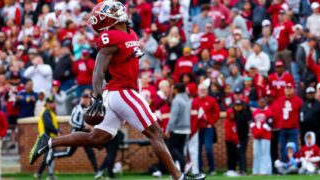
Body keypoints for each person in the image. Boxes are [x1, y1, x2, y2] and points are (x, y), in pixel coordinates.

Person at [29, 2, 197, 180]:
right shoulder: (110, 37)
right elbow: (98, 69)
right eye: (111, 11)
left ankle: (48, 141)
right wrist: (97, 96)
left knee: (97, 138)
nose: (118, 10)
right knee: (155, 133)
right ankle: (179, 177)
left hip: (119, 92)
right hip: (123, 92)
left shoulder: (130, 33)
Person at [50, 92, 98, 176]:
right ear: (81, 99)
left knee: (90, 152)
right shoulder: (77, 108)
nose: (85, 100)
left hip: (85, 134)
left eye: (87, 98)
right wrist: (83, 125)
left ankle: (97, 172)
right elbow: (72, 121)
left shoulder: (89, 109)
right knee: (68, 152)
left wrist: (91, 127)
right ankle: (53, 154)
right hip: (76, 132)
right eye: (84, 98)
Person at [166, 83, 191, 174]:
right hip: (186, 129)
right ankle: (182, 172)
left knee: (171, 148)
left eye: (173, 89)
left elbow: (174, 116)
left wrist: (168, 129)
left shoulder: (177, 100)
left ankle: (185, 163)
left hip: (177, 129)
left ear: (176, 90)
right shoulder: (188, 99)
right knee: (180, 150)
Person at [197, 83, 220, 175]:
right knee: (197, 149)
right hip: (198, 129)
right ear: (198, 91)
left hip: (208, 128)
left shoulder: (212, 100)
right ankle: (199, 169)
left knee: (208, 148)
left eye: (204, 90)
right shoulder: (194, 101)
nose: (202, 91)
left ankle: (212, 169)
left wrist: (211, 123)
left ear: (207, 91)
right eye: (201, 90)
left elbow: (217, 113)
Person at [35, 96, 59, 180]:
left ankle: (42, 174)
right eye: (50, 103)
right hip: (47, 137)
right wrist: (57, 131)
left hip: (48, 137)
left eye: (53, 102)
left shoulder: (49, 111)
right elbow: (48, 126)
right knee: (49, 157)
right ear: (47, 103)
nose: (52, 104)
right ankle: (48, 174)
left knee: (48, 157)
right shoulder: (46, 112)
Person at [277, 83, 303, 161]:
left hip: (294, 127)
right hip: (283, 128)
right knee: (282, 147)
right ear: (284, 89)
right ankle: (284, 163)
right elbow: (276, 112)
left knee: (295, 147)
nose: (288, 90)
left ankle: (295, 163)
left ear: (293, 89)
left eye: (290, 88)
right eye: (287, 88)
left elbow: (301, 113)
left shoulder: (298, 100)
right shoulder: (280, 100)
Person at [250, 98, 272, 175]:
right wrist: (255, 132)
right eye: (260, 102)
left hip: (265, 136)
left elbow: (269, 125)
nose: (261, 104)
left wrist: (260, 132)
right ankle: (256, 171)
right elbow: (252, 123)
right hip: (256, 136)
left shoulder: (269, 111)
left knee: (265, 154)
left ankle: (265, 171)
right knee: (256, 153)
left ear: (265, 103)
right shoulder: (255, 112)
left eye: (263, 102)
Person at [233, 99, 253, 175]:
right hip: (237, 137)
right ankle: (240, 169)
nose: (238, 107)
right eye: (236, 106)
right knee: (239, 153)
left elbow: (250, 118)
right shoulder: (235, 114)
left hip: (244, 136)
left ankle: (243, 170)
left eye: (239, 106)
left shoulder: (244, 114)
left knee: (242, 153)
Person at [224, 108, 239, 177]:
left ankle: (233, 169)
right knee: (231, 156)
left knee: (234, 156)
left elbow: (235, 132)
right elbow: (229, 134)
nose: (232, 115)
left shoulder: (234, 122)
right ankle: (230, 170)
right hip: (230, 141)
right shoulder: (227, 122)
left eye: (233, 114)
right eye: (231, 114)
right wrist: (235, 140)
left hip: (234, 142)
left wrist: (236, 140)